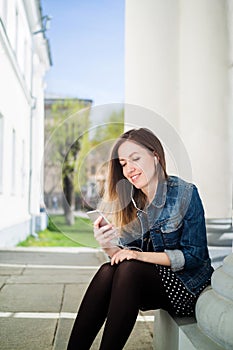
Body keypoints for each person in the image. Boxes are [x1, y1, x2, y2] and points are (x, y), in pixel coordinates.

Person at [67, 128, 214, 350]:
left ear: (155, 157)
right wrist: (108, 246)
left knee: (130, 269)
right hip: (145, 282)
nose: (129, 169)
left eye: (135, 158)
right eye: (124, 163)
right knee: (108, 270)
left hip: (187, 287)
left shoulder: (185, 193)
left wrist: (138, 255)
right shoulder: (131, 201)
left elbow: (195, 256)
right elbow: (124, 256)